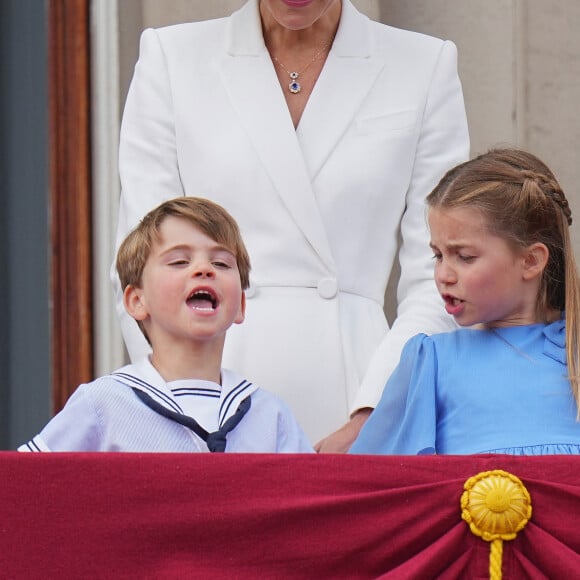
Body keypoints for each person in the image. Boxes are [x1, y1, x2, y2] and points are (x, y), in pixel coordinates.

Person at [113, 0, 470, 450]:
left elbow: (440, 277)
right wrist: (179, 409)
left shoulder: (423, 65)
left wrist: (376, 413)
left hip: (356, 395)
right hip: (204, 405)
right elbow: (140, 263)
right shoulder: (172, 58)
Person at [20, 197, 312, 453]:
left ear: (241, 306)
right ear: (136, 301)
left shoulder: (271, 417)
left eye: (222, 264)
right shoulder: (102, 404)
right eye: (179, 262)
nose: (204, 269)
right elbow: (25, 486)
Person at [350, 148, 580, 456]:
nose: (443, 274)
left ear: (530, 261)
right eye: (438, 255)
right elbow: (376, 484)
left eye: (465, 257)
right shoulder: (430, 363)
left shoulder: (574, 354)